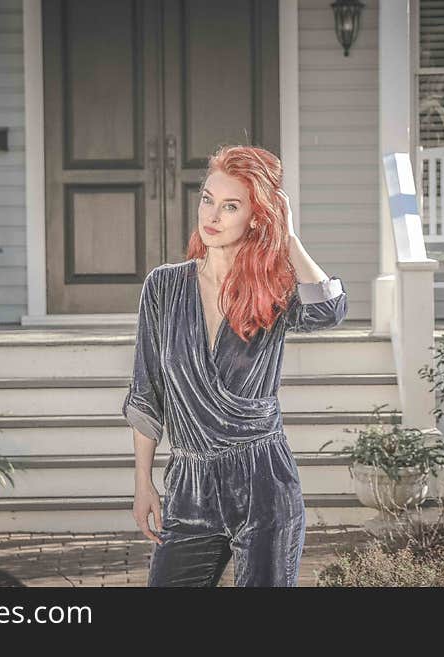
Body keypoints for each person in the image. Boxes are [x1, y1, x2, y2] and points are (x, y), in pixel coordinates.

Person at [122, 144, 348, 587]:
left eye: (231, 206)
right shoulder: (165, 287)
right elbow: (146, 391)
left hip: (264, 483)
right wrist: (143, 483)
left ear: (255, 216)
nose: (213, 215)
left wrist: (289, 236)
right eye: (208, 199)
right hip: (188, 486)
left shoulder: (274, 289)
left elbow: (329, 310)